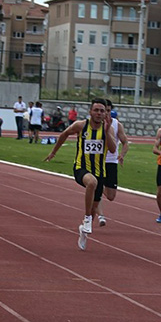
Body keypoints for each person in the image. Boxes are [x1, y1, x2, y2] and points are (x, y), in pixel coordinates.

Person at [44, 99, 116, 251]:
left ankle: (84, 231)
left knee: (95, 203)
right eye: (96, 110)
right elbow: (64, 134)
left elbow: (112, 149)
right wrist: (53, 152)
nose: (99, 113)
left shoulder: (106, 128)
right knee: (91, 183)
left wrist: (107, 131)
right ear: (90, 112)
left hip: (100, 172)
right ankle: (87, 218)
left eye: (102, 111)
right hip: (81, 168)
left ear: (105, 114)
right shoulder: (81, 126)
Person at [99, 100, 130, 226]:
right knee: (94, 187)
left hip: (111, 162)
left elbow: (125, 142)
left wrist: (121, 155)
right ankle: (101, 216)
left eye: (108, 110)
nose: (105, 113)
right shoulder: (93, 124)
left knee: (111, 196)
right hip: (97, 161)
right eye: (103, 110)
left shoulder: (117, 125)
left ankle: (98, 188)